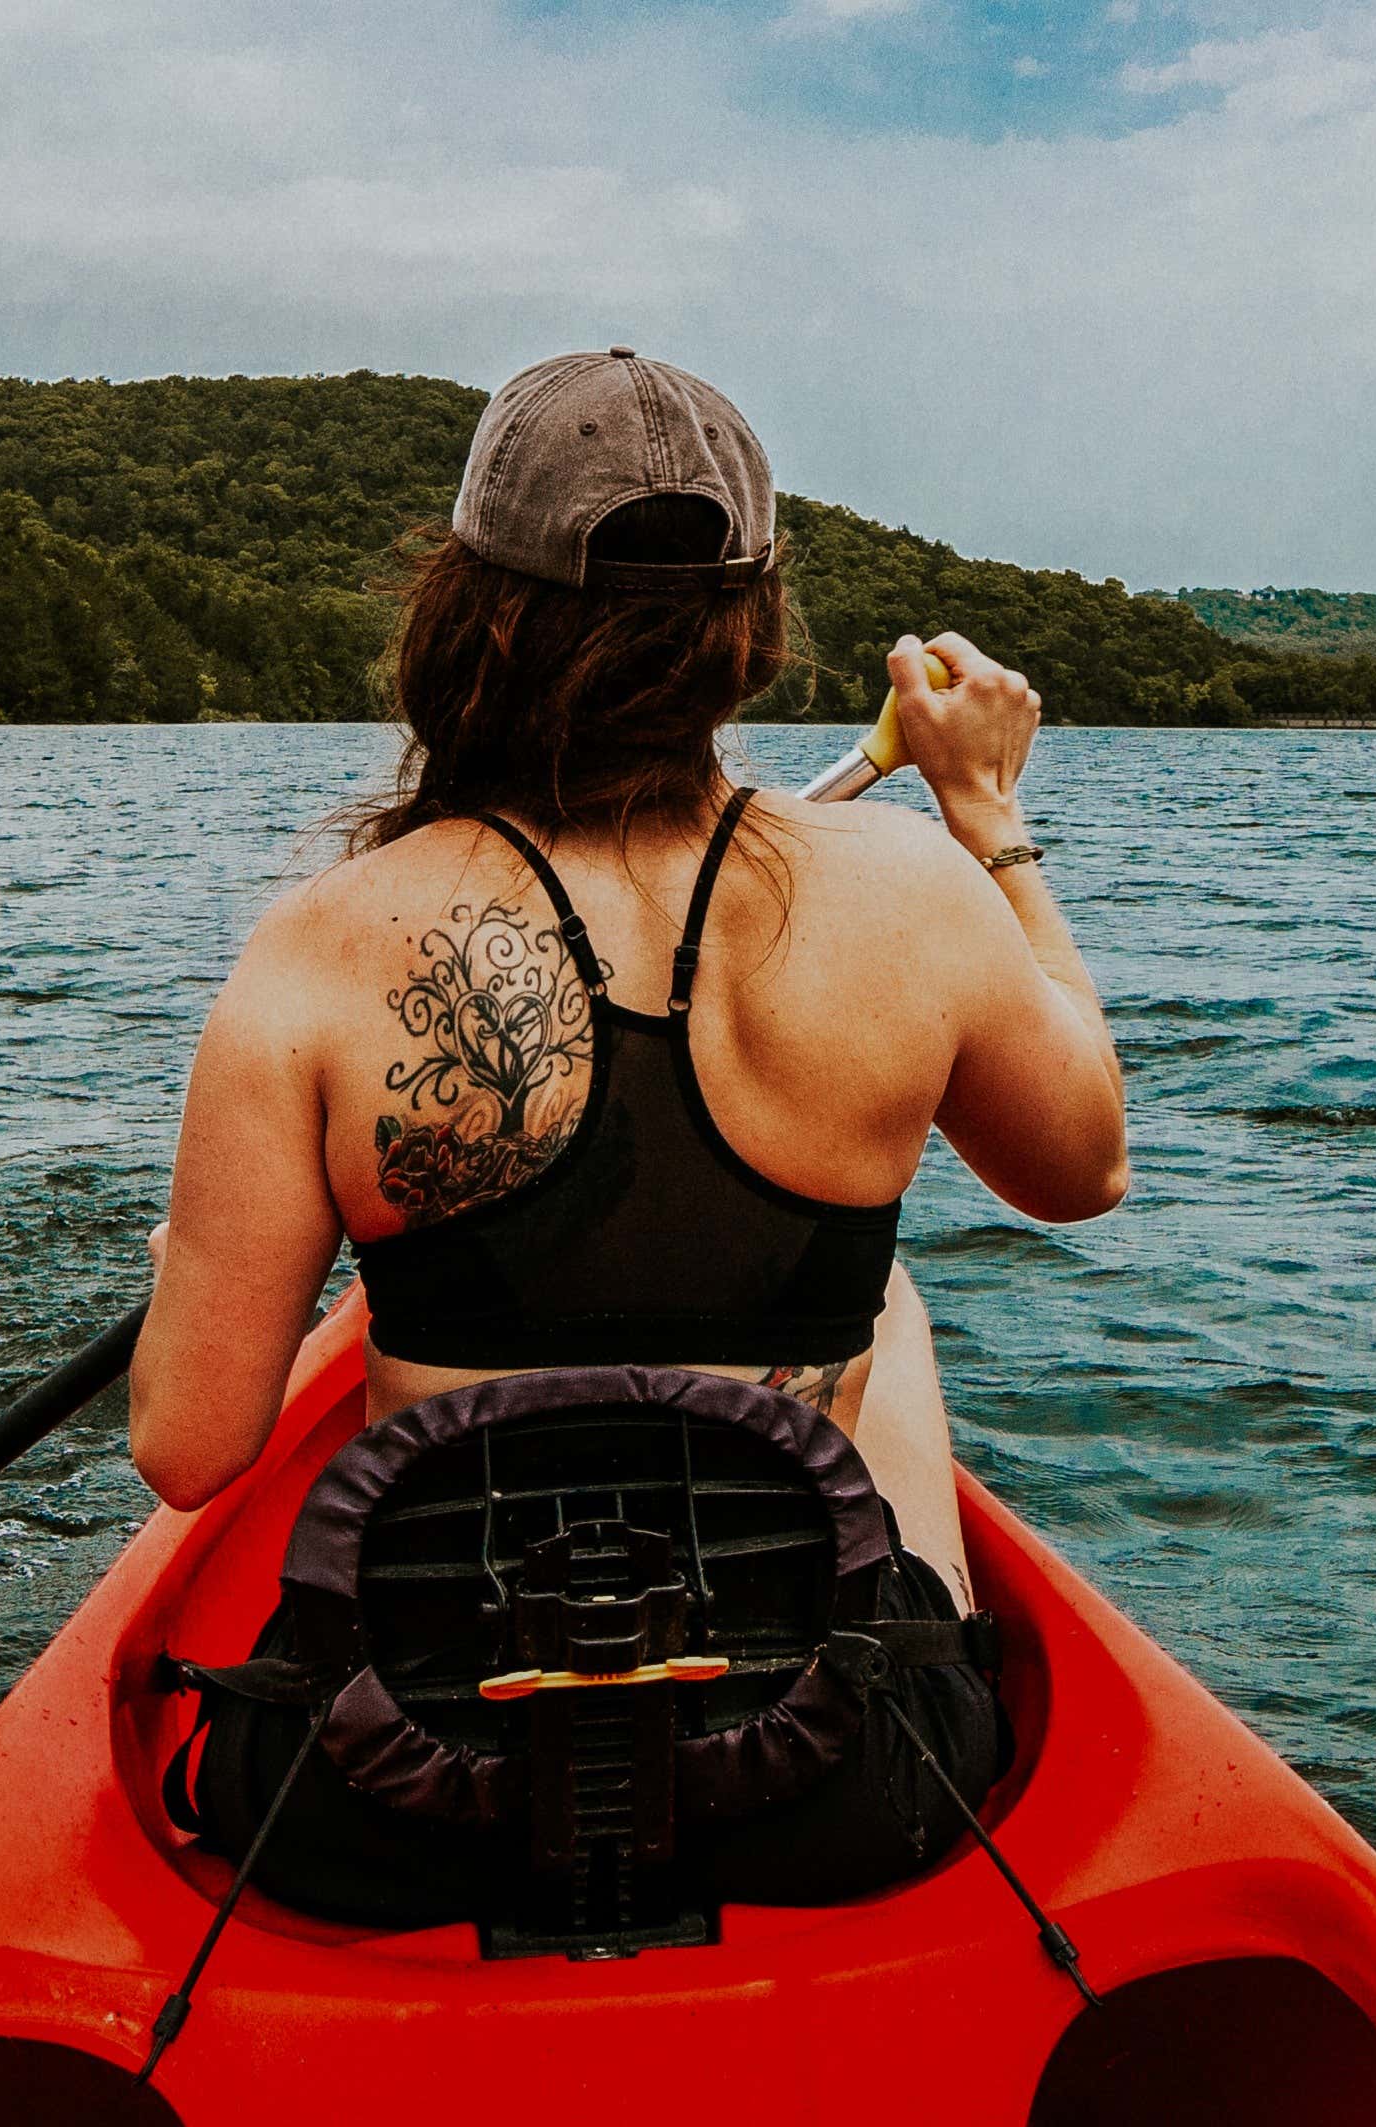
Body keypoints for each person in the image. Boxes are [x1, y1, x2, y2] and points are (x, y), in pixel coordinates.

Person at [127, 348, 1126, 1605]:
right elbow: (1082, 1170)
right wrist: (984, 811)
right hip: (808, 1731)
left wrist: (189, 1281)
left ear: (465, 610)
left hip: (448, 1737)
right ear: (751, 631)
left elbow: (188, 1451)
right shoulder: (914, 891)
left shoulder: (323, 940)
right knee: (890, 1304)